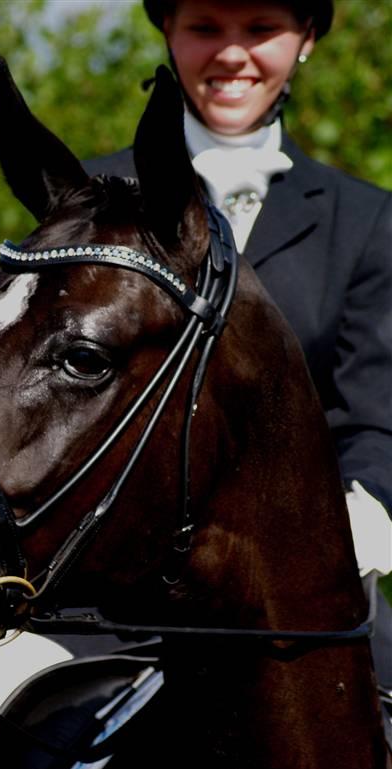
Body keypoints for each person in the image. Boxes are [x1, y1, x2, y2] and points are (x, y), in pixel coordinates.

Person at [85, 0, 392, 688]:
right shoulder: (94, 197)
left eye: (260, 30)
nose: (231, 54)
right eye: (205, 29)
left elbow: (374, 416)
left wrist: (361, 513)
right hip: (107, 585)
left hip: (303, 588)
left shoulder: (368, 221)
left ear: (306, 39)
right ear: (168, 32)